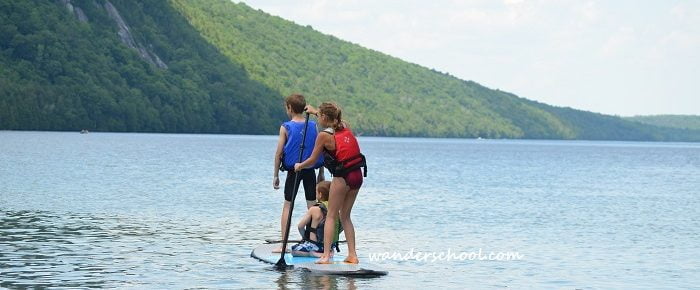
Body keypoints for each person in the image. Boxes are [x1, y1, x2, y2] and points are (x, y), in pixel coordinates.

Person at [294, 102, 367, 264]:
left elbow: (313, 159)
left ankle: (326, 256)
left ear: (324, 117)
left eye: (319, 115)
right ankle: (353, 255)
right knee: (346, 216)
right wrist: (314, 111)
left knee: (331, 216)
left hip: (342, 177)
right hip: (357, 175)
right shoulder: (344, 126)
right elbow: (334, 120)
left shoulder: (323, 136)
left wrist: (300, 166)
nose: (318, 118)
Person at [273, 94, 324, 253]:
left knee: (288, 205)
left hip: (293, 171)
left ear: (289, 108)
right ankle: (314, 242)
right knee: (312, 206)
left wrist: (275, 176)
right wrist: (321, 172)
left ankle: (284, 244)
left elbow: (278, 154)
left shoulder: (285, 127)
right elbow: (318, 150)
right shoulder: (313, 125)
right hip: (309, 170)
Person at [291, 181, 342, 257]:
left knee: (294, 250)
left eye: (316, 192)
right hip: (329, 246)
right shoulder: (336, 209)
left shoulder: (313, 209)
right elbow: (341, 227)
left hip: (315, 245)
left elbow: (300, 226)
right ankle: (329, 252)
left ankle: (314, 253)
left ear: (320, 195)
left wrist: (305, 238)